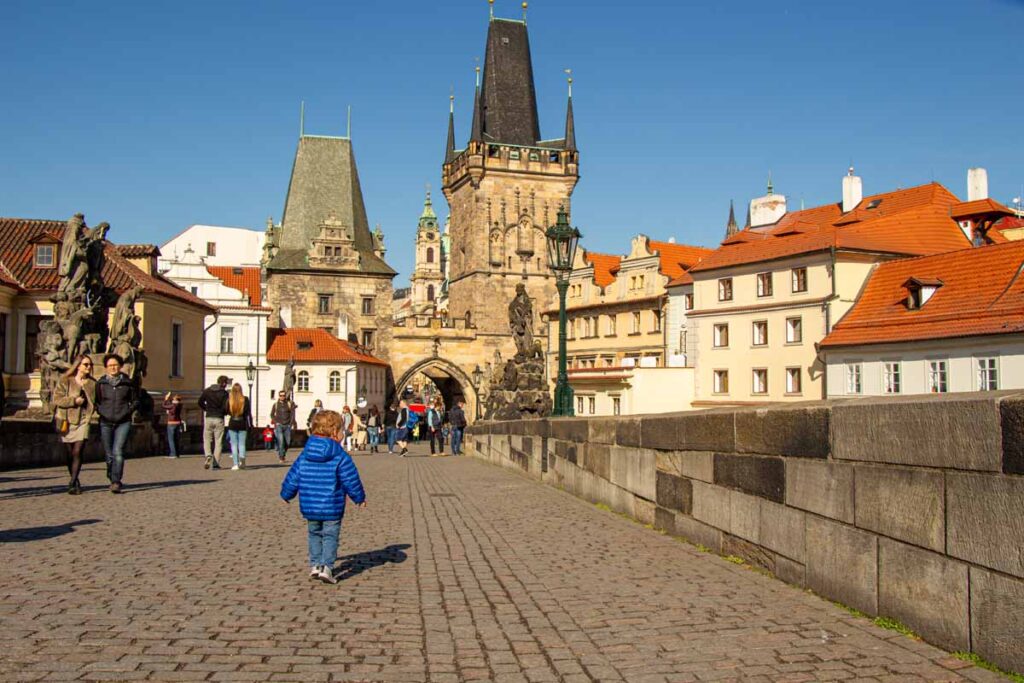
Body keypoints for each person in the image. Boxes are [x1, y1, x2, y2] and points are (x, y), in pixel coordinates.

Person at [280, 410, 367, 585]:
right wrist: (359, 497)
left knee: (314, 533)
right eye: (342, 430)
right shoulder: (340, 455)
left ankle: (315, 565)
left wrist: (286, 493)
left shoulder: (305, 453)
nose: (344, 434)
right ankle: (327, 568)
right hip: (332, 505)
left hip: (310, 504)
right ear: (334, 432)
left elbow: (294, 475)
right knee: (330, 536)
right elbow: (350, 479)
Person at [53, 354, 96, 495]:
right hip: (67, 420)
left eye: (90, 365)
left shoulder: (92, 383)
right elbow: (57, 399)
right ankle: (74, 479)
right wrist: (73, 401)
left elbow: (95, 402)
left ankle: (72, 482)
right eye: (86, 364)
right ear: (78, 365)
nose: (88, 367)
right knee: (69, 454)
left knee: (78, 451)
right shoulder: (66, 380)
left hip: (84, 420)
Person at [96, 353, 137, 493]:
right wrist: (101, 411)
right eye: (110, 365)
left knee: (118, 451)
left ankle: (116, 480)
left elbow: (135, 400)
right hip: (105, 421)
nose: (113, 368)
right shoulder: (101, 383)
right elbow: (97, 401)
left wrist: (128, 411)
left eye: (115, 365)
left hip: (123, 421)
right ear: (106, 368)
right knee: (109, 454)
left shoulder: (128, 383)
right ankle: (111, 473)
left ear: (120, 366)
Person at [198, 375, 230, 470]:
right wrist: (224, 413)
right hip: (219, 418)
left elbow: (200, 402)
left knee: (207, 439)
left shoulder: (207, 391)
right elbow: (226, 407)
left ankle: (208, 455)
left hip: (208, 417)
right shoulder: (224, 393)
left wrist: (206, 409)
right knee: (218, 441)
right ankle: (215, 463)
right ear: (223, 383)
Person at [226, 383, 252, 470]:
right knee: (242, 444)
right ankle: (242, 460)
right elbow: (247, 412)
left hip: (233, 422)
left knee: (234, 444)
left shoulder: (229, 400)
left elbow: (227, 411)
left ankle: (236, 464)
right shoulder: (245, 399)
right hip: (242, 422)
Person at [271, 392, 296, 463]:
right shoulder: (275, 405)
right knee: (281, 441)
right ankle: (281, 456)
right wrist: (276, 422)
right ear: (279, 396)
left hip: (287, 425)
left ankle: (283, 453)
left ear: (285, 396)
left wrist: (291, 423)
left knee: (288, 442)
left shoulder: (288, 404)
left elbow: (292, 414)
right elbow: (272, 414)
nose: (282, 397)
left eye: (283, 395)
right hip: (279, 425)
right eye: (281, 395)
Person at [163, 392, 184, 458]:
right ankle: (177, 453)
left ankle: (173, 453)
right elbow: (170, 406)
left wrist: (166, 399)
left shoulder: (173, 405)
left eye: (173, 399)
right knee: (176, 439)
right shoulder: (179, 405)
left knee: (171, 439)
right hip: (178, 423)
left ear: (175, 400)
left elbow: (163, 406)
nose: (172, 400)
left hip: (171, 423)